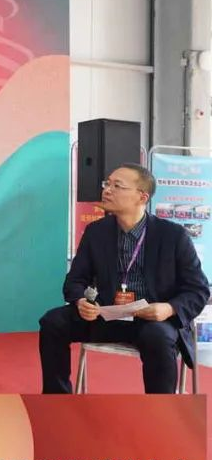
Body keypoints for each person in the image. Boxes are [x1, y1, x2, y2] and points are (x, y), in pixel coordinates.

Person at [39, 163, 209, 393]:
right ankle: (56, 400)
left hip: (152, 320)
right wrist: (81, 301)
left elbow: (198, 289)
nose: (107, 190)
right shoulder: (97, 231)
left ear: (142, 197)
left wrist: (168, 309)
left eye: (117, 186)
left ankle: (161, 410)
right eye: (107, 184)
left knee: (158, 337)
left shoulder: (173, 235)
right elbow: (75, 280)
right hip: (107, 315)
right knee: (53, 322)